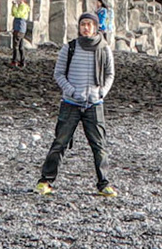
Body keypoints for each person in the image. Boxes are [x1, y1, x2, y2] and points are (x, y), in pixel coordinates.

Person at [34, 13, 116, 198]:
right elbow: (59, 74)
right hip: (70, 103)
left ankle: (104, 184)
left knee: (99, 145)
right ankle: (45, 181)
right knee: (60, 143)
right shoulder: (70, 48)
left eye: (89, 24)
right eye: (82, 25)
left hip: (94, 104)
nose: (85, 28)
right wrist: (71, 91)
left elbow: (110, 74)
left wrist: (101, 92)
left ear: (96, 27)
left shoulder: (104, 49)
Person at [10, 0, 32, 67]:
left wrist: (14, 6)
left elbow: (17, 14)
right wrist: (14, 6)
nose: (17, 1)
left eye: (19, 0)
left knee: (16, 45)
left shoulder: (23, 7)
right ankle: (22, 61)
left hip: (18, 28)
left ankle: (15, 61)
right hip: (22, 28)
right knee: (20, 46)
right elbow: (13, 13)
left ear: (22, 0)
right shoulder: (23, 7)